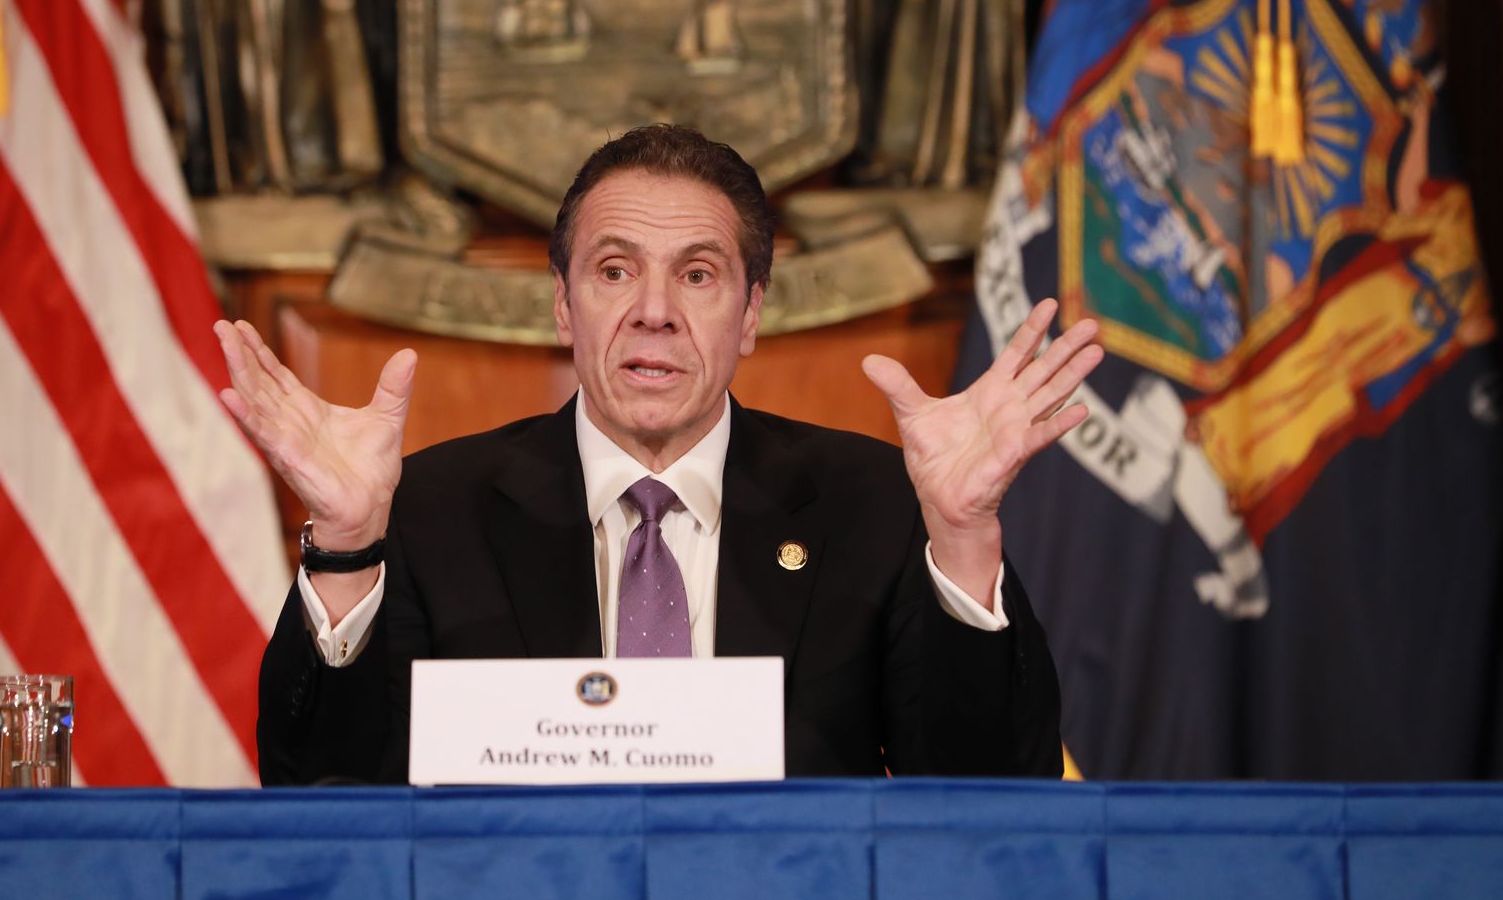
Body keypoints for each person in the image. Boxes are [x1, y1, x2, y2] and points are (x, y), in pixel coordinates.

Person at [217, 125, 1102, 784]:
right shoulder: (429, 510)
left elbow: (991, 795)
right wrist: (343, 546)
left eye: (699, 273)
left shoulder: (874, 502)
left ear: (750, 315)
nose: (653, 310)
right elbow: (320, 795)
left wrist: (963, 536)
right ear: (565, 308)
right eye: (614, 270)